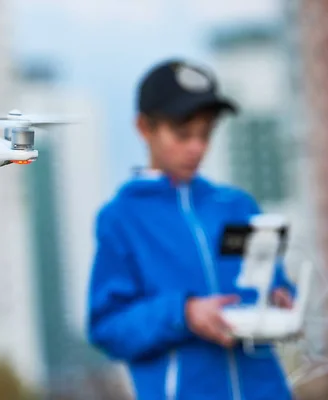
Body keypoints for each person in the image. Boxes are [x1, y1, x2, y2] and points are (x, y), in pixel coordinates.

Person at [86, 58, 297, 400]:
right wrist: (184, 313)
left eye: (206, 133)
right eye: (183, 134)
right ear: (144, 128)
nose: (197, 147)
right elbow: (107, 327)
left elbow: (270, 281)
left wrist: (281, 298)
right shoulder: (121, 219)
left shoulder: (237, 206)